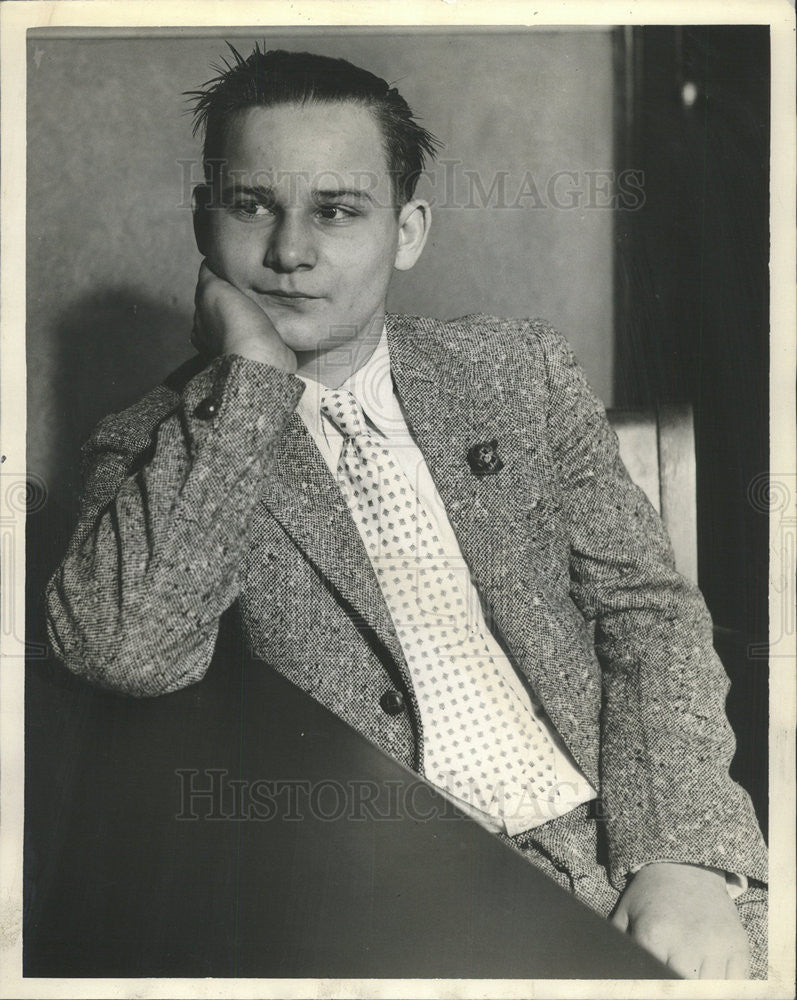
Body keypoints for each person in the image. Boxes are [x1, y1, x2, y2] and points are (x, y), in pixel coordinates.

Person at [45, 43, 768, 979]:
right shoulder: (160, 445)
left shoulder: (517, 375)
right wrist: (253, 383)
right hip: (399, 898)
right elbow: (121, 649)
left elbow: (650, 617)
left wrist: (680, 856)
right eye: (251, 205)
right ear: (203, 224)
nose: (289, 252)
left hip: (631, 845)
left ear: (409, 230)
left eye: (337, 211)